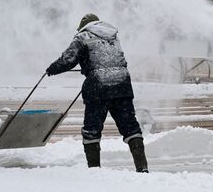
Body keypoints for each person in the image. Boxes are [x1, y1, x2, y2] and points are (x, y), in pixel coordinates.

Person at [46, 13, 148, 172]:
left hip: (98, 87)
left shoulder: (82, 37)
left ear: (83, 26)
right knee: (131, 127)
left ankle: (94, 170)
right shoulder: (113, 36)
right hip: (122, 85)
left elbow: (68, 60)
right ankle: (142, 169)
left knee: (91, 130)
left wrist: (52, 69)